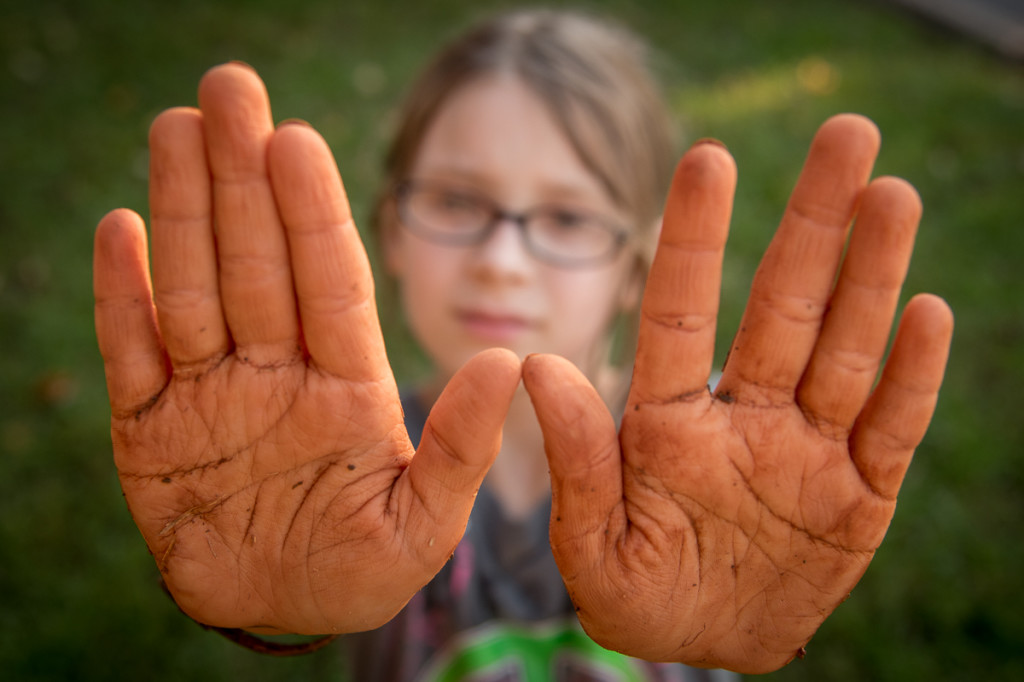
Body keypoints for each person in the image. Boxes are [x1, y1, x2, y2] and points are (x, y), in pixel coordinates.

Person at [91, 7, 953, 680]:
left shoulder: (742, 467)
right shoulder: (317, 461)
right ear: (389, 228)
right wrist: (277, 611)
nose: (502, 262)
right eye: (458, 202)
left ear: (636, 263)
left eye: (567, 217)